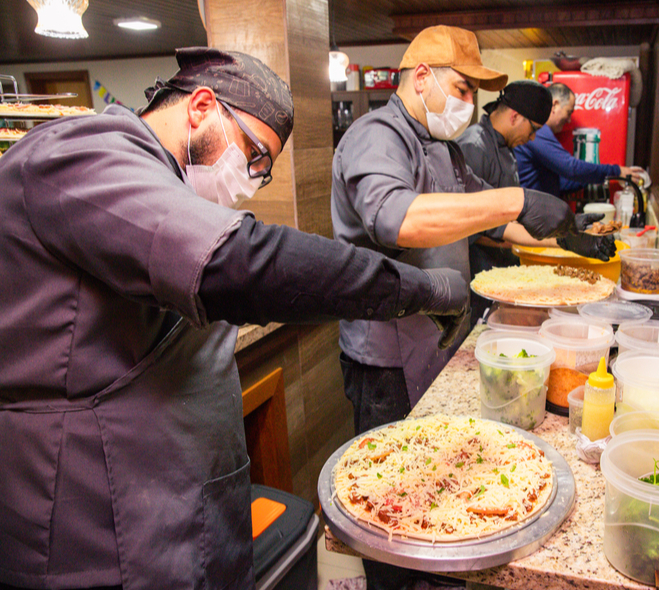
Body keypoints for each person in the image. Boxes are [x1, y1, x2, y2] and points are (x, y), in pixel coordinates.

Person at [0, 47, 469, 590]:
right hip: (94, 525)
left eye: (262, 171)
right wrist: (420, 287)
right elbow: (241, 264)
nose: (249, 179)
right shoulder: (81, 152)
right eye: (252, 154)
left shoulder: (166, 185)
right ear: (201, 106)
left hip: (179, 512)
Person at [331, 25, 615, 590]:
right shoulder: (376, 136)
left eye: (472, 95)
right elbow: (397, 218)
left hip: (435, 337)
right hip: (385, 352)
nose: (468, 105)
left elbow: (485, 214)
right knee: (391, 502)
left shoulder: (440, 146)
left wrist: (561, 234)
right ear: (421, 78)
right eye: (461, 88)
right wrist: (516, 197)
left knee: (435, 490)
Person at [455, 80, 553, 324]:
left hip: (502, 268)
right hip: (477, 277)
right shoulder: (473, 146)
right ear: (515, 116)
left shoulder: (505, 146)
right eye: (533, 129)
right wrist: (522, 241)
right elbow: (468, 226)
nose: (532, 138)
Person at [515, 82, 645, 197]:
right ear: (554, 105)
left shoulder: (541, 131)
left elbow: (559, 182)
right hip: (529, 214)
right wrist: (615, 171)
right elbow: (571, 168)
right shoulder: (538, 131)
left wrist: (603, 177)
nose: (569, 120)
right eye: (569, 112)